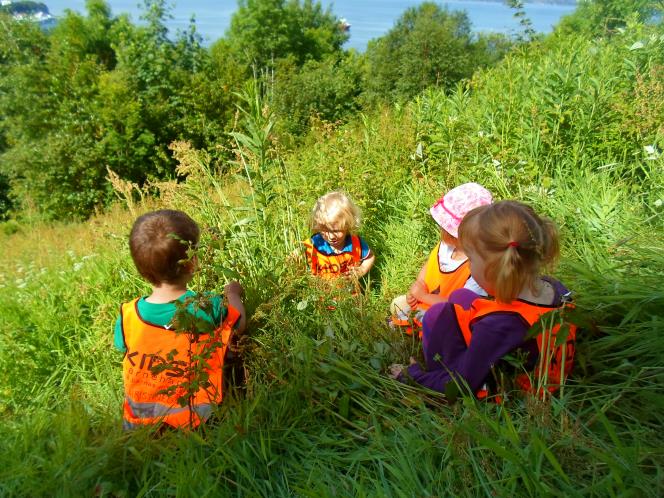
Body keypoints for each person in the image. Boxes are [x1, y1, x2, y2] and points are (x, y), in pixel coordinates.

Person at [390, 201, 576, 398]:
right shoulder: (555, 289)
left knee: (436, 315)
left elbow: (461, 384)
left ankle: (436, 370)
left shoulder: (499, 326)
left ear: (496, 269)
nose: (468, 267)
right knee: (460, 297)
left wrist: (412, 376)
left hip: (501, 389)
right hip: (527, 359)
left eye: (470, 259)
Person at [113, 209, 246, 430]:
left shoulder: (128, 315)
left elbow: (123, 347)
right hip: (198, 420)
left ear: (140, 270)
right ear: (192, 262)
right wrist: (232, 294)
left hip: (138, 423)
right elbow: (240, 324)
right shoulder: (205, 306)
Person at [389, 182, 493, 335]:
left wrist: (423, 296)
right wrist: (418, 286)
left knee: (434, 321)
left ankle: (418, 332)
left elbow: (460, 306)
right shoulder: (446, 246)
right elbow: (429, 266)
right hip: (425, 302)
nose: (443, 233)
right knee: (397, 304)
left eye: (447, 230)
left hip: (448, 314)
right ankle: (410, 324)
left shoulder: (478, 268)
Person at [302, 191, 375, 279]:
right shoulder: (314, 244)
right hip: (319, 290)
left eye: (336, 231)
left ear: (347, 225)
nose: (331, 236)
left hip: (349, 291)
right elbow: (294, 257)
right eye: (325, 230)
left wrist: (362, 270)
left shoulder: (355, 244)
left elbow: (370, 256)